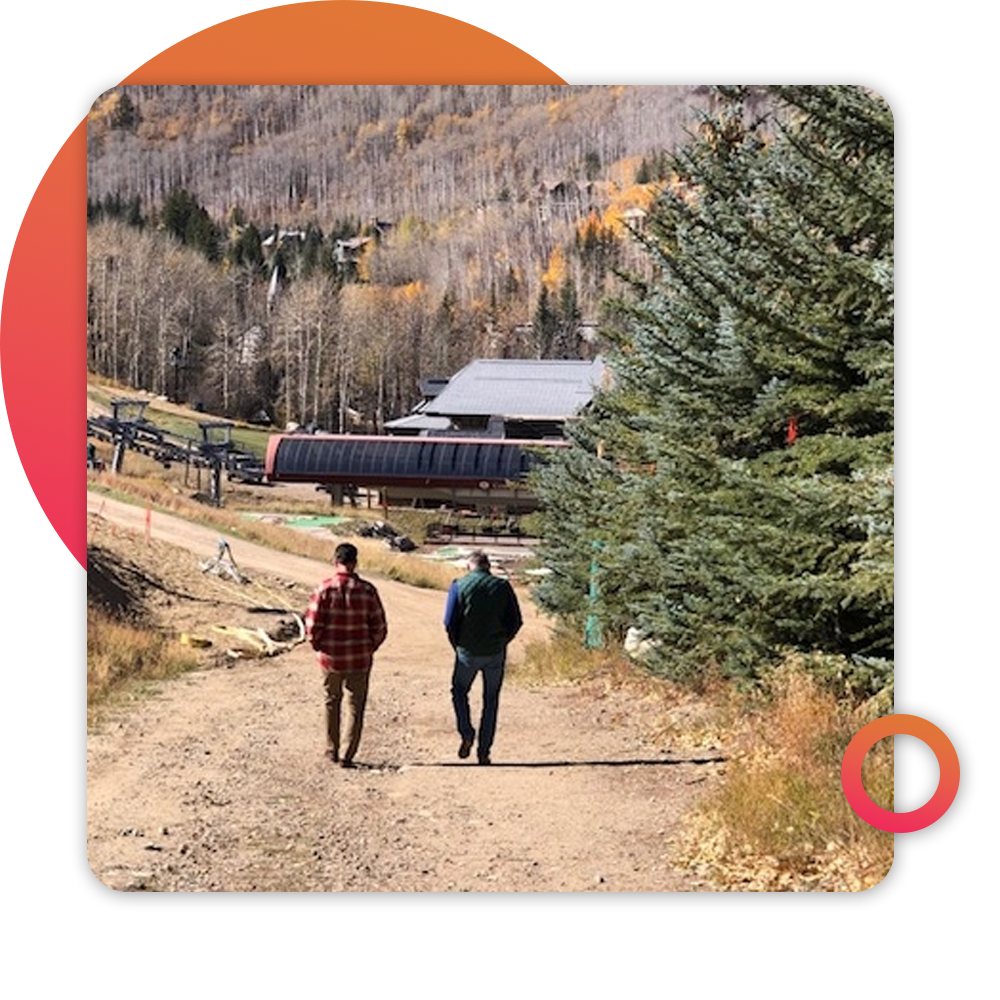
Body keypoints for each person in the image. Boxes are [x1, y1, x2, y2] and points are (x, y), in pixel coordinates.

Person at [304, 542, 388, 768]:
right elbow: (379, 627)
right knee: (356, 705)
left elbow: (312, 626)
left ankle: (331, 749)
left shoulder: (323, 589)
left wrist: (318, 646)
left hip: (331, 658)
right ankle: (348, 754)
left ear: (335, 561)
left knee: (331, 701)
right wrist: (370, 646)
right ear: (355, 562)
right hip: (360, 658)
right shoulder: (368, 590)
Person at [444, 550, 522, 765]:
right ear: (488, 567)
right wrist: (504, 640)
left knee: (459, 691)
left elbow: (449, 621)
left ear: (469, 566)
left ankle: (467, 732)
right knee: (491, 700)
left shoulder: (458, 586)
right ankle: (484, 751)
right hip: (495, 651)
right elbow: (516, 620)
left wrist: (456, 644)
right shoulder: (502, 587)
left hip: (467, 651)